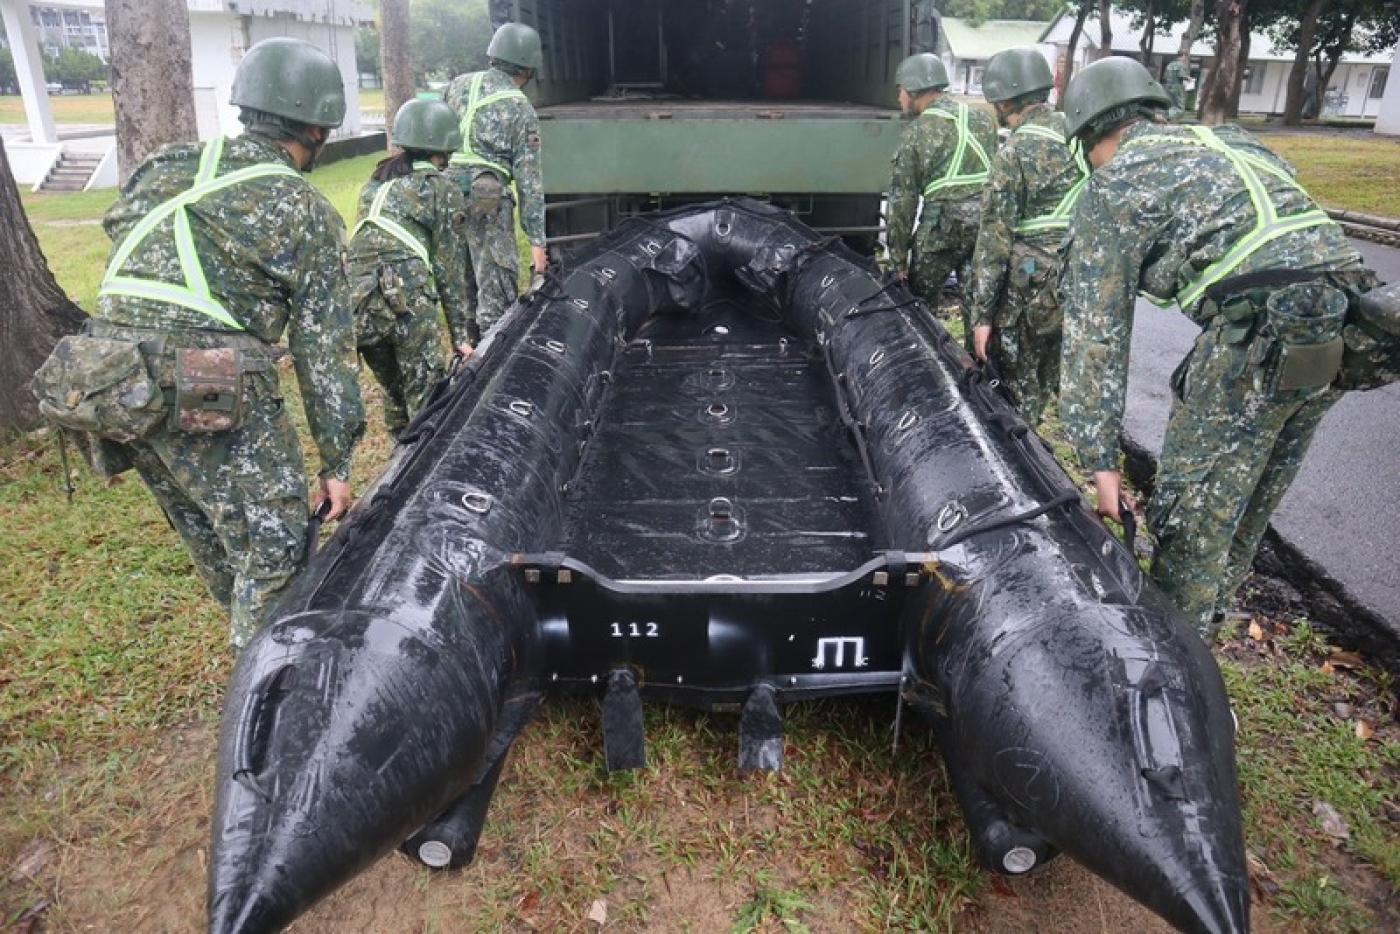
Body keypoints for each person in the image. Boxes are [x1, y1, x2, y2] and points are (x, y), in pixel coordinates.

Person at [58, 37, 364, 648]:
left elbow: (123, 229)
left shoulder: (167, 166)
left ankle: (251, 639)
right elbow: (323, 351)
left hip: (112, 377)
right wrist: (337, 464)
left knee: (216, 532)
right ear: (318, 129)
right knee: (276, 548)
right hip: (202, 375)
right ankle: (273, 695)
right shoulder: (302, 207)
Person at [1057, 57, 1375, 639]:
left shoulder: (1118, 178)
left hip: (1254, 338)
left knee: (1192, 526)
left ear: (1090, 135)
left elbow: (1094, 333)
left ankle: (1181, 684)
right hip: (1342, 325)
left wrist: (1101, 466)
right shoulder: (1232, 140)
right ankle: (1209, 632)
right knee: (1247, 506)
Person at [966, 48, 1087, 425]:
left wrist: (981, 316)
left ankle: (1019, 452)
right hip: (1076, 280)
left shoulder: (1015, 152)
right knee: (1046, 377)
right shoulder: (1083, 134)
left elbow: (993, 242)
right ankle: (1034, 436)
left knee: (1013, 385)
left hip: (1028, 290)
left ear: (1002, 100)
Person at [349, 99, 473, 439]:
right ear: (445, 148)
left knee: (395, 394)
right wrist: (461, 337)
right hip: (405, 297)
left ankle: (397, 470)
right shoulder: (440, 188)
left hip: (359, 304)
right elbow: (449, 270)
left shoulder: (375, 184)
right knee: (427, 398)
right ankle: (424, 472)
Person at [444, 23, 548, 337]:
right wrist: (538, 248)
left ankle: (465, 355)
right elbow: (529, 181)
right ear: (528, 69)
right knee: (496, 292)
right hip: (486, 198)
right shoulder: (520, 107)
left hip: (445, 191)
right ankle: (493, 360)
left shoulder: (458, 85)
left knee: (462, 283)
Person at [886, 52, 998, 342]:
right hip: (984, 226)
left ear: (912, 90)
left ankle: (924, 364)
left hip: (941, 230)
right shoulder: (983, 120)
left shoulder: (917, 134)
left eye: (900, 90)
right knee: (979, 310)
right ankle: (984, 377)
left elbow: (902, 204)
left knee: (917, 310)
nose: (899, 97)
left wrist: (897, 262)